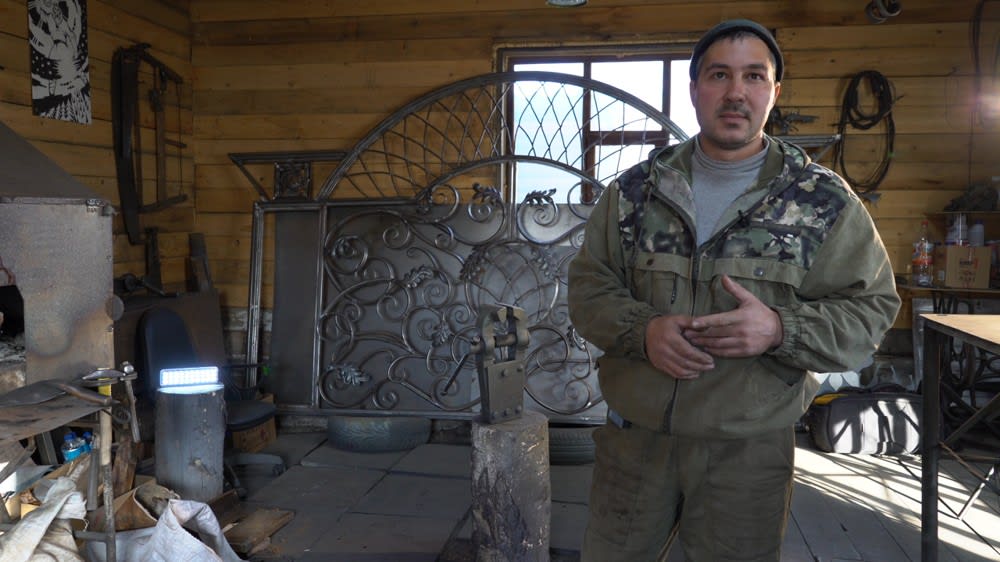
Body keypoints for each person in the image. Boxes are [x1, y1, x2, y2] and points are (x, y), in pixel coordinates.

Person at [567, 19, 900, 562]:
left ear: (774, 92)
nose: (735, 92)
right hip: (636, 444)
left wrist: (780, 329)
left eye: (753, 76)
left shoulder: (822, 202)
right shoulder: (633, 193)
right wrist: (643, 331)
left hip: (747, 452)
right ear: (695, 88)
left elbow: (871, 310)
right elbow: (588, 287)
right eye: (719, 75)